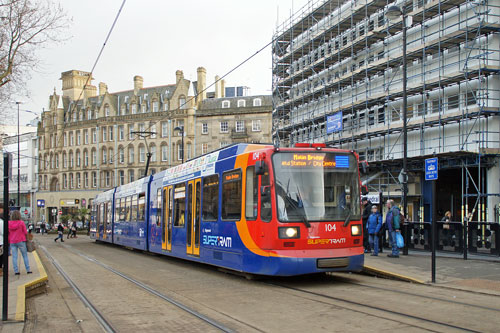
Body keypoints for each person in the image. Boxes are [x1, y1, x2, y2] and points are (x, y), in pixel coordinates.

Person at [8, 210, 32, 275]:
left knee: (14, 257)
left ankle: (16, 271)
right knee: (25, 255)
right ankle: (28, 270)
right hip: (21, 240)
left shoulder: (9, 223)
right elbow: (25, 232)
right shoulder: (21, 223)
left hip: (12, 241)